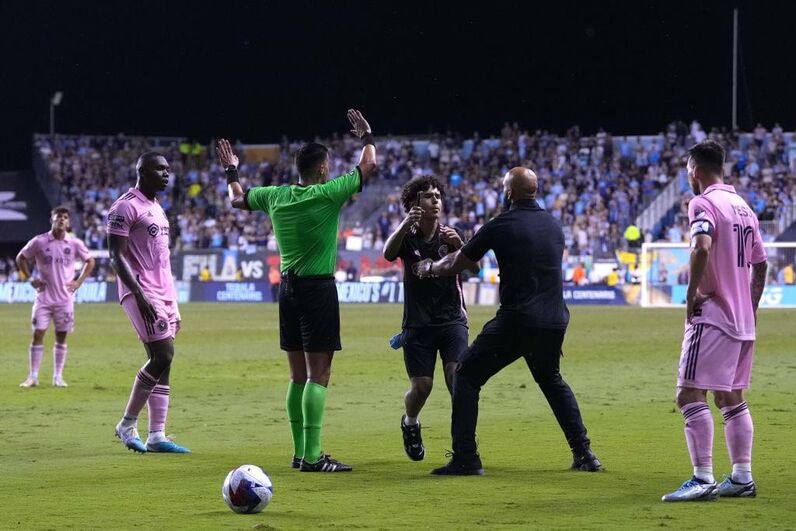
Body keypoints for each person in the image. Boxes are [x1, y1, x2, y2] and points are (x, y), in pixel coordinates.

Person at [415, 167, 601, 475]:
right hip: (555, 319)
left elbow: (457, 264)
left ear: (509, 192)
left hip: (519, 319)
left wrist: (429, 269)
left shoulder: (501, 224)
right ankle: (584, 453)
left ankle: (465, 457)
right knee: (551, 379)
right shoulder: (554, 226)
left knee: (466, 375)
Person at [218, 109, 376, 472]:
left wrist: (231, 171)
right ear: (321, 169)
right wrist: (367, 136)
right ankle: (314, 456)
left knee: (297, 376)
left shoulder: (275, 196)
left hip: (287, 291)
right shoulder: (328, 194)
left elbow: (236, 199)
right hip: (318, 290)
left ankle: (299, 451)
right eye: (330, 165)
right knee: (318, 375)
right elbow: (367, 166)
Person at [661, 140, 767, 502]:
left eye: (688, 172)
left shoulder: (703, 202)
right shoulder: (744, 208)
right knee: (730, 396)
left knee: (689, 392)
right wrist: (749, 306)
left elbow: (701, 246)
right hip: (742, 321)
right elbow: (761, 263)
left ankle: (702, 477)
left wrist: (691, 295)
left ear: (695, 170)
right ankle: (741, 477)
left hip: (713, 317)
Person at [383, 175, 477, 462]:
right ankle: (410, 422)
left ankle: (464, 447)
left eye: (438, 196)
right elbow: (388, 254)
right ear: (415, 203)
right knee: (422, 387)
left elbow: (473, 270)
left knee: (456, 379)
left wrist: (461, 245)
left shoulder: (451, 235)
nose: (435, 200)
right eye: (428, 196)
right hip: (418, 324)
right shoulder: (407, 237)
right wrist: (404, 223)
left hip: (452, 322)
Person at [107, 152, 190, 454]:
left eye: (169, 169)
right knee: (163, 353)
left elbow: (163, 261)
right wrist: (141, 296)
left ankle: (157, 435)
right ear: (142, 171)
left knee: (164, 360)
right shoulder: (125, 206)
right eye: (160, 169)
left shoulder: (157, 208)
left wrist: (174, 302)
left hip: (163, 292)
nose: (167, 174)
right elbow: (116, 256)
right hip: (140, 291)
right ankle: (127, 424)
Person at [16, 206, 95, 388]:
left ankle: (57, 377)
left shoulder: (74, 243)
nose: (62, 219)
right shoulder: (40, 241)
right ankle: (33, 376)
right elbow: (21, 257)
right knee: (38, 334)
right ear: (51, 219)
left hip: (64, 300)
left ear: (68, 222)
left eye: (65, 217)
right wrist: (30, 278)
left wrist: (78, 282)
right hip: (43, 298)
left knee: (61, 337)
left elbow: (90, 261)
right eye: (58, 216)